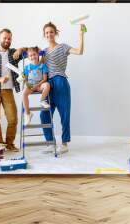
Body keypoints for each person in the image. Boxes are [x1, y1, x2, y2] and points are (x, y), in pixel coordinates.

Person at [40, 22, 85, 154]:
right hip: (48, 85)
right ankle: (50, 143)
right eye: (47, 32)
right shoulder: (43, 52)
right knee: (44, 114)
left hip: (60, 82)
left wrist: (81, 34)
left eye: (51, 32)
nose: (49, 34)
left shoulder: (63, 47)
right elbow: (38, 66)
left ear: (56, 33)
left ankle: (64, 144)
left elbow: (79, 51)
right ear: (44, 35)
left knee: (64, 115)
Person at [22, 47, 51, 125]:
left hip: (40, 84)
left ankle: (42, 100)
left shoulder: (43, 66)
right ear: (28, 57)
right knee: (24, 93)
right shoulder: (27, 68)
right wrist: (28, 85)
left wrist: (38, 85)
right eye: (30, 55)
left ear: (38, 55)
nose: (32, 57)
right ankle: (28, 114)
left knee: (47, 85)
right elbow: (26, 80)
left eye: (34, 54)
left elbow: (45, 79)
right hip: (31, 85)